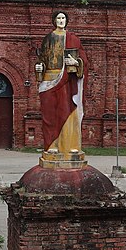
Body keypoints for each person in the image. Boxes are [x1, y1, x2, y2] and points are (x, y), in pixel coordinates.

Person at [35, 10, 88, 158]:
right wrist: (39, 67)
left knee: (68, 112)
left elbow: (83, 59)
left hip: (67, 80)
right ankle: (52, 146)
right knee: (50, 114)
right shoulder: (48, 39)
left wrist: (76, 62)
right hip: (50, 79)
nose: (61, 20)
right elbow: (42, 59)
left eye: (63, 18)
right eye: (58, 18)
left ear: (67, 20)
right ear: (54, 20)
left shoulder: (73, 39)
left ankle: (71, 145)